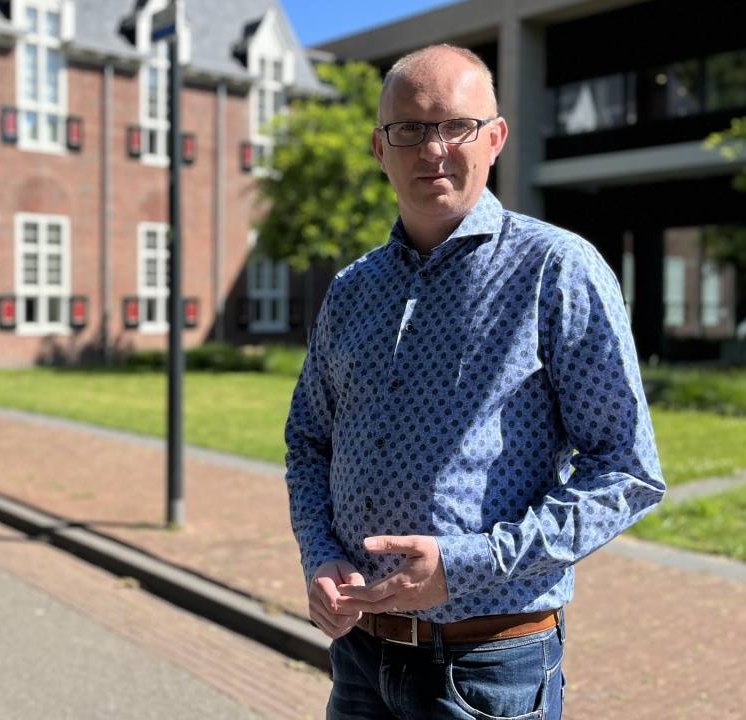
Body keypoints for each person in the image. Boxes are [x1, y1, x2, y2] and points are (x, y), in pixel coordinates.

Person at [283, 44, 665, 719]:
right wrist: (320, 555)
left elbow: (626, 472)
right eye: (410, 129)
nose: (434, 150)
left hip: (489, 667)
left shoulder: (555, 270)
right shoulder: (352, 289)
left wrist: (465, 565)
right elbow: (309, 440)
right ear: (379, 147)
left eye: (456, 126)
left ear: (495, 138)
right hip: (360, 658)